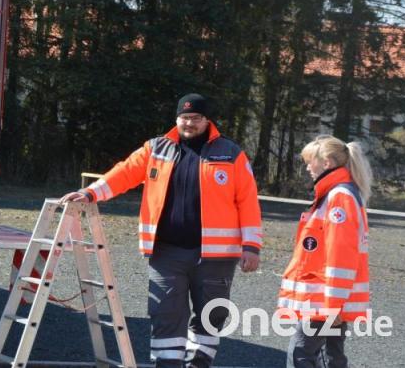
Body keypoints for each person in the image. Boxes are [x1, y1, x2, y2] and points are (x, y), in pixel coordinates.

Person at [60, 93, 262, 368]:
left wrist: (251, 247)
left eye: (195, 118)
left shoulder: (231, 153)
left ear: (207, 121)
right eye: (184, 117)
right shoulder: (156, 148)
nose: (189, 123)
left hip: (217, 257)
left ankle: (198, 364)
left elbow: (248, 201)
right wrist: (90, 193)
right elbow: (124, 173)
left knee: (211, 316)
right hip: (166, 251)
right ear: (176, 118)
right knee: (165, 313)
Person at [278, 135, 372, 368]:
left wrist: (333, 305)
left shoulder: (338, 197)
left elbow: (341, 256)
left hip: (326, 301)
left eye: (311, 161)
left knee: (300, 353)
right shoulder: (339, 194)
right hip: (329, 298)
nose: (308, 167)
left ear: (327, 163)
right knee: (330, 357)